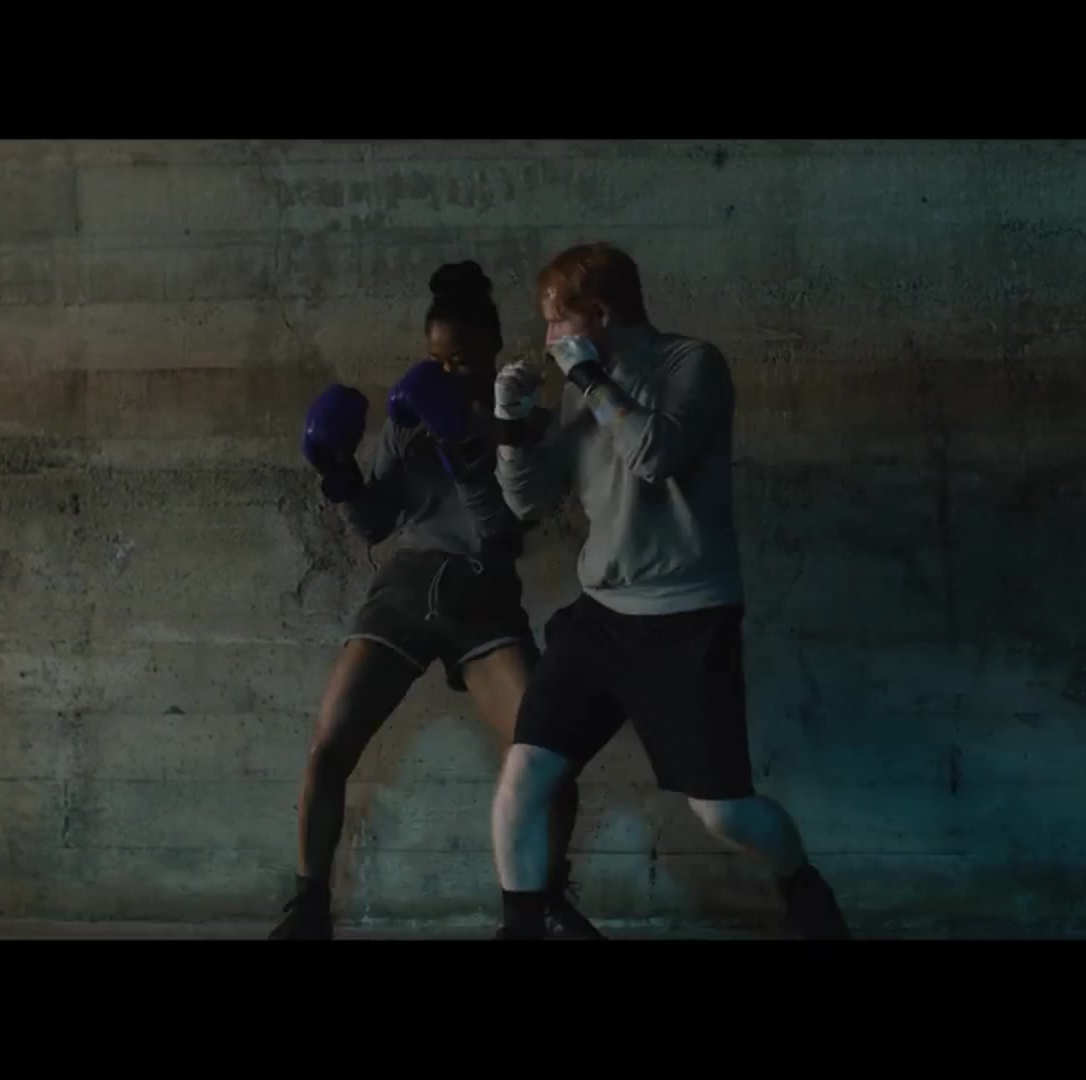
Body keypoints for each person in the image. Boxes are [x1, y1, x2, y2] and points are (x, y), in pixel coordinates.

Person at [486, 242, 851, 940]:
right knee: (524, 776)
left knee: (723, 813)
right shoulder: (581, 386)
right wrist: (509, 426)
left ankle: (802, 887)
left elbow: (656, 455)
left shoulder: (693, 364)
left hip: (687, 620)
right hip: (600, 618)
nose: (548, 337)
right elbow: (528, 501)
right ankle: (522, 929)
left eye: (559, 320)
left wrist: (592, 380)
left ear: (599, 313)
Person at [277, 260, 602, 940]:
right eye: (435, 362)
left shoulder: (525, 423)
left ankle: (546, 901)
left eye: (460, 360)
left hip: (483, 597)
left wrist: (468, 451)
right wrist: (339, 475)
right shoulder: (410, 420)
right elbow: (376, 524)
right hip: (404, 589)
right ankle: (308, 909)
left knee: (547, 756)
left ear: (492, 347)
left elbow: (505, 532)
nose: (447, 374)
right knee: (328, 748)